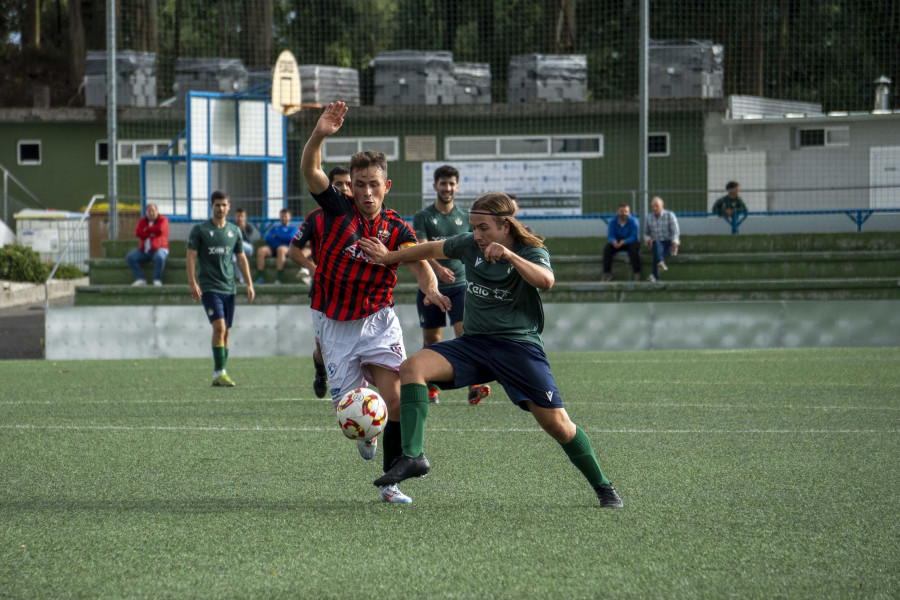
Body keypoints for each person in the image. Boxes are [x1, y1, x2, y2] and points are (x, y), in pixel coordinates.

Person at [358, 192, 623, 509]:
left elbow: (546, 281)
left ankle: (604, 487)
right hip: (474, 344)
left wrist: (511, 257)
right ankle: (414, 456)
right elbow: (430, 248)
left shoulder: (530, 250)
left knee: (559, 426)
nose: (477, 235)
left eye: (484, 228)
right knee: (412, 368)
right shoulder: (470, 245)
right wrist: (389, 258)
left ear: (505, 226)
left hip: (518, 349)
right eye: (473, 227)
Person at [300, 100, 449, 504]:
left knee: (395, 396)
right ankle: (366, 431)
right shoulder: (336, 209)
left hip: (379, 320)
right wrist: (319, 134)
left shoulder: (398, 226)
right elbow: (310, 170)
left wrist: (430, 287)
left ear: (386, 186)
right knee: (352, 413)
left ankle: (391, 483)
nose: (366, 191)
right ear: (352, 186)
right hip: (337, 324)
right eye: (359, 183)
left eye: (373, 184)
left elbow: (417, 260)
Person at [412, 164, 490, 406]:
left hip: (460, 287)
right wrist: (438, 269)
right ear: (435, 186)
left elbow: (477, 245)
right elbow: (422, 249)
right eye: (443, 183)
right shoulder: (423, 217)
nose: (447, 188)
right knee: (433, 340)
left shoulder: (465, 217)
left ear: (457, 186)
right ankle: (432, 387)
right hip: (431, 288)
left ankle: (474, 384)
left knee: (465, 335)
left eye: (451, 183)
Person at [186, 190, 256, 387]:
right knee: (219, 327)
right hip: (209, 287)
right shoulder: (200, 230)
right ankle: (220, 372)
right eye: (217, 205)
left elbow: (241, 258)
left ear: (229, 206)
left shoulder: (234, 231)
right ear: (212, 206)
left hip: (230, 287)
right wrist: (192, 282)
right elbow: (191, 256)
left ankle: (221, 374)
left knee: (226, 332)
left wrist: (249, 283)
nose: (221, 208)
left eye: (224, 205)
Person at [126, 203, 169, 286]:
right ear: (146, 212)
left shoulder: (163, 220)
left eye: (153, 211)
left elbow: (159, 230)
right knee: (130, 257)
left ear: (157, 211)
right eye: (149, 211)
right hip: (144, 251)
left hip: (160, 248)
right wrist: (150, 233)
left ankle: (157, 279)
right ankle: (140, 279)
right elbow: (138, 233)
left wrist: (145, 229)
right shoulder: (142, 221)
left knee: (159, 257)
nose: (151, 213)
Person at [254, 208, 299, 285]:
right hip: (273, 248)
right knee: (261, 250)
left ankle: (278, 279)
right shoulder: (275, 228)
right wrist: (282, 237)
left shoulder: (293, 228)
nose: (284, 218)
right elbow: (268, 238)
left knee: (280, 249)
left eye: (286, 216)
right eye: (282, 216)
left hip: (286, 248)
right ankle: (260, 278)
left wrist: (277, 236)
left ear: (289, 217)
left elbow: (290, 238)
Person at [643, 196, 680, 283]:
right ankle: (660, 264)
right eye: (653, 206)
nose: (655, 208)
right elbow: (645, 233)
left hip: (668, 243)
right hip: (656, 243)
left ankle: (654, 274)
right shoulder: (648, 218)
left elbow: (675, 232)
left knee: (657, 254)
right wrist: (649, 239)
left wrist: (675, 243)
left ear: (662, 206)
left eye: (657, 206)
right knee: (656, 244)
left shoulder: (670, 215)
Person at [601, 203, 641, 281]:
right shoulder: (612, 222)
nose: (624, 213)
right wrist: (614, 241)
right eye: (621, 211)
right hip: (617, 242)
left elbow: (634, 236)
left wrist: (624, 241)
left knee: (633, 249)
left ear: (629, 212)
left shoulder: (633, 221)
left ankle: (637, 273)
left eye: (626, 211)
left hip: (630, 242)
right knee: (607, 249)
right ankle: (607, 273)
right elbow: (610, 235)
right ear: (617, 212)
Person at [232, 207, 256, 284]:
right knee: (234, 258)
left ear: (245, 217)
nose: (239, 218)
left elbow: (248, 240)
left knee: (239, 243)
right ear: (235, 217)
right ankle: (240, 278)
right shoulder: (231, 226)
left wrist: (243, 231)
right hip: (236, 250)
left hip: (248, 248)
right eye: (238, 216)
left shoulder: (248, 227)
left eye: (241, 216)